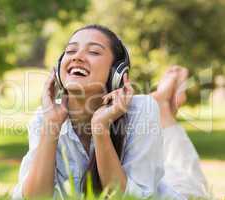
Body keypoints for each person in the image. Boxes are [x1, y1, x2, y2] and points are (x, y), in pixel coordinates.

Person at [12, 24, 208, 200]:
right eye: (71, 50)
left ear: (117, 73)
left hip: (167, 191)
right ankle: (163, 104)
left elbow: (127, 198)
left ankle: (164, 107)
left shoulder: (141, 109)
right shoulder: (45, 116)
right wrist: (51, 126)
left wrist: (100, 128)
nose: (77, 56)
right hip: (155, 171)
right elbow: (36, 197)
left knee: (186, 179)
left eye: (94, 52)